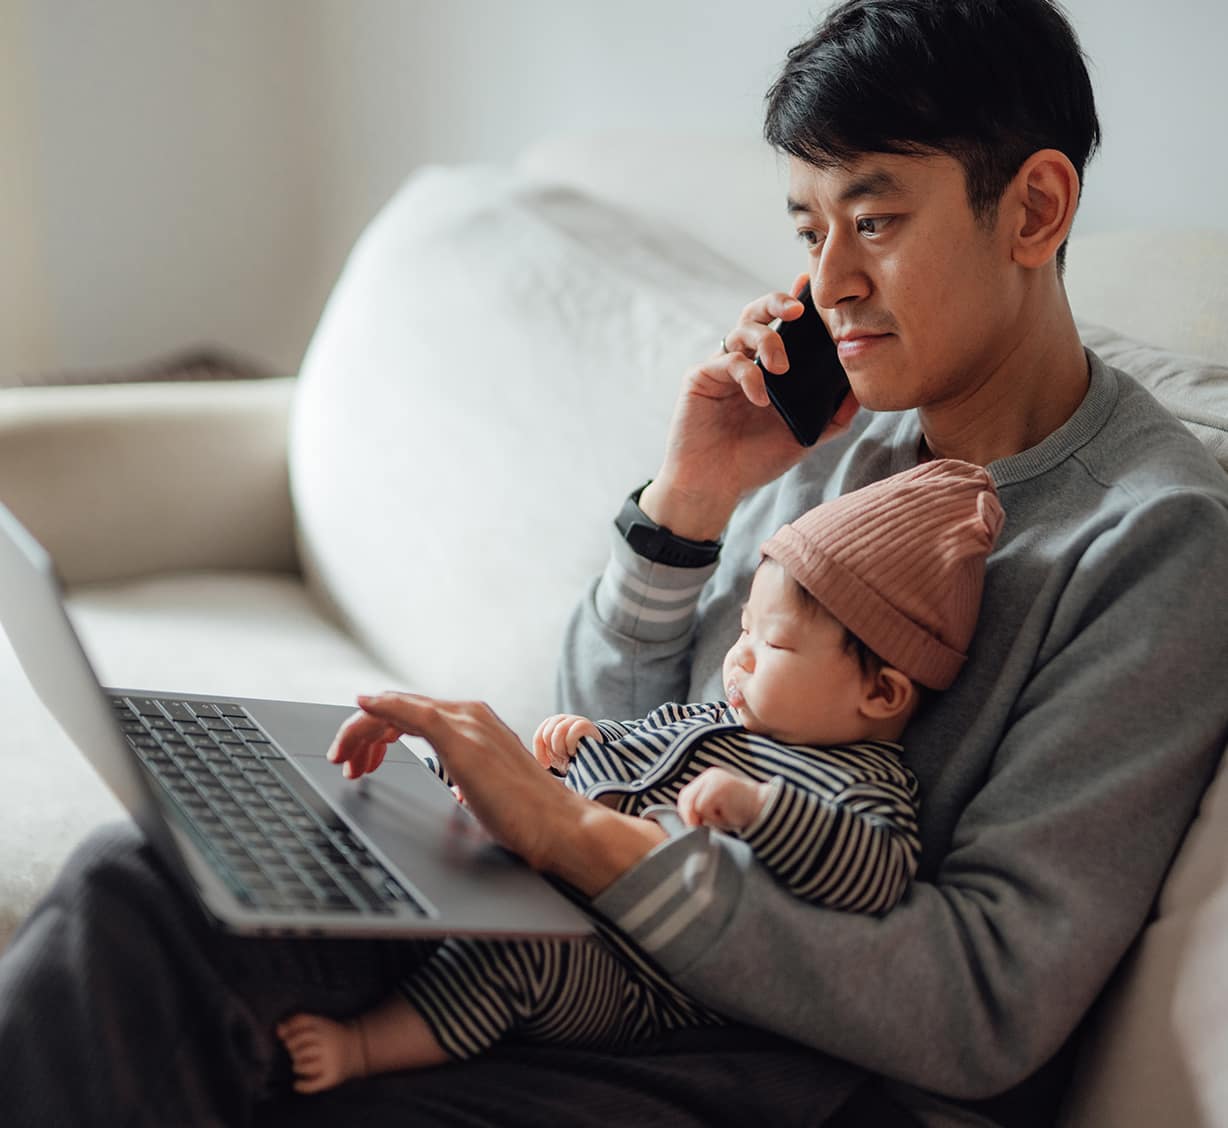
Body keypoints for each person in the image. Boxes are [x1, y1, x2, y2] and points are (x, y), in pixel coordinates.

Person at [3, 1, 1228, 1125]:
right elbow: (622, 734)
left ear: (1033, 209)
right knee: (144, 883)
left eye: (873, 222)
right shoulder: (843, 441)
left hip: (785, 1066)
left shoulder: (1154, 540)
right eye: (809, 231)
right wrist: (689, 503)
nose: (829, 284)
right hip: (593, 942)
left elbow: (986, 1003)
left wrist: (575, 842)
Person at [275, 461, 1004, 1093]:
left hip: (631, 977)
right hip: (548, 882)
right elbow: (634, 752)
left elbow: (872, 873)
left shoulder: (864, 784)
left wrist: (760, 812)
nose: (740, 657)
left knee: (515, 957)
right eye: (744, 630)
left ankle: (365, 1045)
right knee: (441, 776)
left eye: (775, 643)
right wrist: (583, 744)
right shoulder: (716, 721)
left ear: (881, 693)